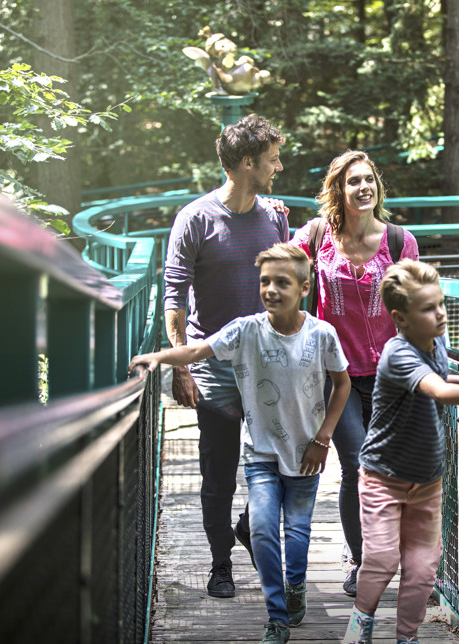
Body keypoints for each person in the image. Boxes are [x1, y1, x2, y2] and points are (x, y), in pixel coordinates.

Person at [134, 244, 352, 644]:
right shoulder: (245, 330)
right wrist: (159, 357)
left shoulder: (323, 334)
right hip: (261, 453)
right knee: (266, 531)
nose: (270, 289)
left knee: (298, 533)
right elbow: (199, 349)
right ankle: (277, 616)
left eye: (281, 282)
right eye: (265, 281)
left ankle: (297, 585)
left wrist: (324, 438)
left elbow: (342, 384)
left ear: (304, 288)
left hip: (307, 453)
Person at [341, 259, 459, 644]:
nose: (440, 314)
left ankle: (406, 638)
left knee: (423, 569)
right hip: (383, 477)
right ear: (401, 319)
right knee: (382, 559)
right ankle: (360, 626)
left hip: (427, 480)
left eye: (440, 304)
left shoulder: (435, 341)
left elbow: (440, 379)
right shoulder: (398, 353)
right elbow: (437, 391)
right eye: (428, 308)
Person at [163, 113, 289, 599]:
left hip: (266, 361)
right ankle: (220, 565)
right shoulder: (194, 219)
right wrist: (181, 364)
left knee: (280, 461)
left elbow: (287, 282)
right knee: (219, 470)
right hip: (212, 364)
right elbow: (173, 295)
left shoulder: (275, 216)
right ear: (245, 163)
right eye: (271, 159)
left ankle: (247, 526)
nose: (277, 167)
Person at [289, 150, 419, 597]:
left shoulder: (400, 241)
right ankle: (362, 561)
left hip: (389, 377)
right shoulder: (319, 235)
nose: (363, 187)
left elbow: (417, 307)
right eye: (353, 182)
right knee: (357, 465)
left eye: (369, 180)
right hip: (337, 375)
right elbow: (280, 265)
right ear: (339, 191)